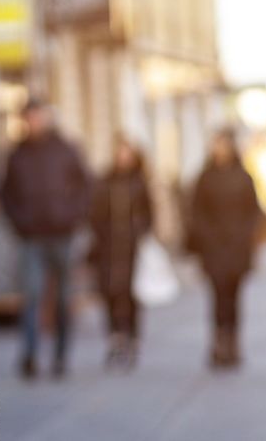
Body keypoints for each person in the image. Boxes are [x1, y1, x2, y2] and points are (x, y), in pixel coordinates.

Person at [2, 99, 92, 380]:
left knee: (64, 297)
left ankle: (61, 355)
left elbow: (86, 186)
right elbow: (6, 194)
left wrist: (73, 216)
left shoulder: (66, 149)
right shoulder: (17, 154)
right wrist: (20, 222)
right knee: (32, 295)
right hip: (31, 236)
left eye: (38, 117)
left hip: (62, 234)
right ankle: (30, 355)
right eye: (29, 118)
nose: (34, 123)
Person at [188, 129, 263, 369]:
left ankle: (233, 343)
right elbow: (196, 212)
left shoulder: (243, 177)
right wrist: (205, 237)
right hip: (213, 249)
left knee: (234, 296)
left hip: (237, 248)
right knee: (217, 296)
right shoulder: (205, 178)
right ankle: (218, 343)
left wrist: (245, 236)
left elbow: (254, 212)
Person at [88, 137, 152, 370]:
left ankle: (132, 338)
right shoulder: (105, 181)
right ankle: (115, 338)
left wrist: (138, 230)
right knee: (110, 292)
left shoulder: (139, 183)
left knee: (130, 294)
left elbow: (149, 215)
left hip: (131, 250)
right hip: (108, 249)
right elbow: (95, 212)